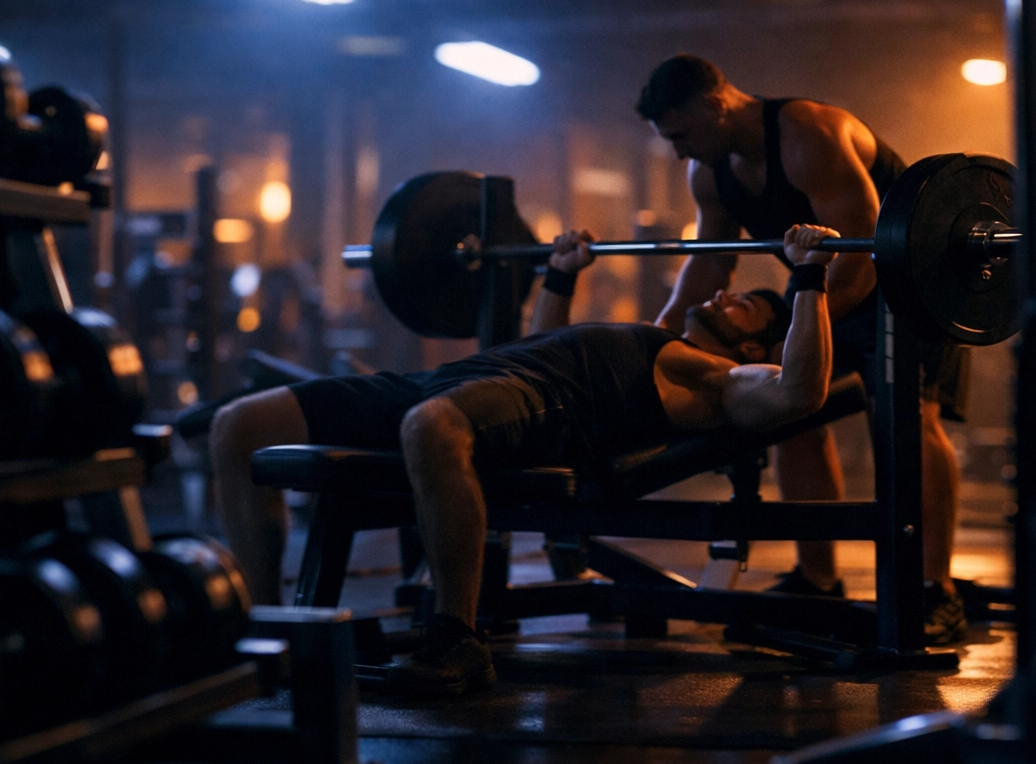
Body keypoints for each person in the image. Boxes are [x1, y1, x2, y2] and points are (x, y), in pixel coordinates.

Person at [210, 223, 839, 695]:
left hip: (547, 404)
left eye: (742, 305)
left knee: (433, 426)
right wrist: (562, 275)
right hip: (470, 374)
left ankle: (457, 638)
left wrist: (809, 276)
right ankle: (265, 629)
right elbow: (536, 343)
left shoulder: (712, 378)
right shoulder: (654, 335)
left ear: (756, 342)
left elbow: (798, 393)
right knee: (237, 424)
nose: (723, 298)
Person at [635, 53, 969, 644]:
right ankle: (818, 579)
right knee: (789, 410)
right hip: (822, 287)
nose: (679, 153)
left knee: (908, 419)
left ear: (714, 104)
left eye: (682, 135)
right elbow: (708, 265)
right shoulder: (709, 173)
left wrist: (799, 325)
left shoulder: (808, 134)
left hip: (907, 284)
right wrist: (654, 340)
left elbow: (863, 259)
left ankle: (934, 590)